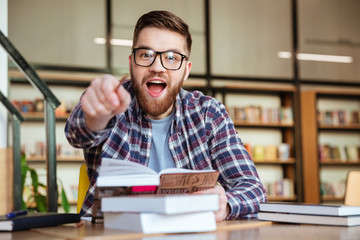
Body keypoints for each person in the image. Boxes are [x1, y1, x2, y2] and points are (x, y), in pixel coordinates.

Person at [65, 10, 267, 221]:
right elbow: (77, 134)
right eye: (145, 55)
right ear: (131, 62)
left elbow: (254, 189)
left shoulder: (208, 113)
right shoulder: (111, 101)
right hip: (111, 233)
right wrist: (96, 117)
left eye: (171, 57)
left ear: (186, 70)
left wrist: (225, 205)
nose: (157, 67)